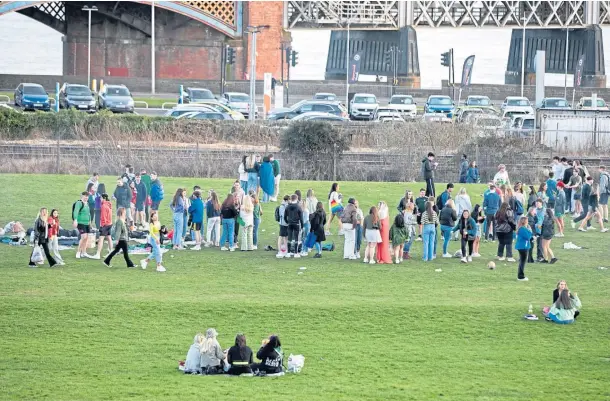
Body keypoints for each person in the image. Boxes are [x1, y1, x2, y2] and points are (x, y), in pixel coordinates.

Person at [94, 194, 113, 259]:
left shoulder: (103, 206)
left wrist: (102, 226)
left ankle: (98, 254)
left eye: (101, 198)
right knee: (109, 238)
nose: (100, 199)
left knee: (101, 239)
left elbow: (103, 217)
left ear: (104, 198)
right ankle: (111, 252)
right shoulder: (109, 204)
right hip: (109, 224)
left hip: (105, 225)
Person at [73, 191, 92, 259]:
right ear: (82, 196)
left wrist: (90, 221)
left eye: (87, 196)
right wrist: (75, 220)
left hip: (87, 223)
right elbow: (76, 211)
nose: (86, 197)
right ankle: (78, 252)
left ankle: (84, 252)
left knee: (86, 238)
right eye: (85, 196)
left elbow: (88, 213)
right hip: (80, 222)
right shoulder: (79, 203)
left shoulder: (87, 204)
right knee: (83, 237)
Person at [514, 216, 533, 281]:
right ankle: (520, 276)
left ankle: (520, 275)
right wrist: (530, 230)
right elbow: (528, 237)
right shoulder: (522, 229)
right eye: (527, 221)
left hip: (523, 246)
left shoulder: (522, 228)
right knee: (522, 261)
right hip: (523, 247)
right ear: (525, 222)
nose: (528, 222)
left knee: (522, 261)